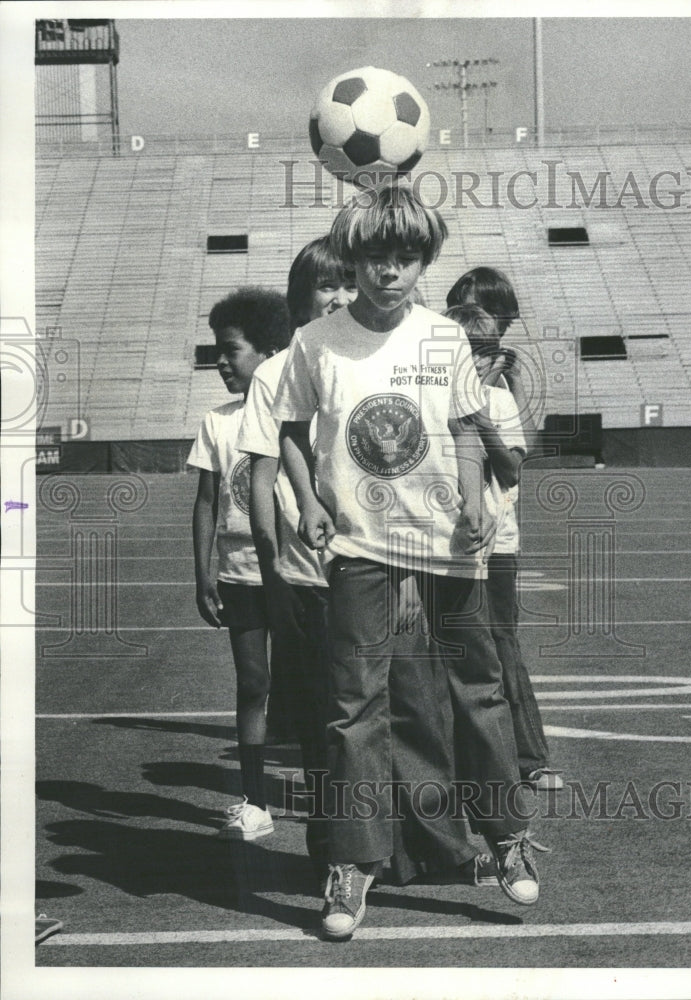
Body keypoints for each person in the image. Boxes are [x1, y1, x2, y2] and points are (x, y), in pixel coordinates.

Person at [274, 182, 548, 941]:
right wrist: (310, 503)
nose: (389, 273)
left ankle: (504, 837)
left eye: (405, 258)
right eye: (375, 260)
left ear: (422, 260)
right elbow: (293, 431)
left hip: (446, 544)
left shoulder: (443, 336)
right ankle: (353, 861)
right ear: (353, 260)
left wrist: (471, 504)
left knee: (479, 689)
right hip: (360, 545)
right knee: (351, 705)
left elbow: (464, 428)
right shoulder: (316, 341)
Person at [238, 237, 357, 879]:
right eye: (325, 287)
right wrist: (272, 572)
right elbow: (261, 477)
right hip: (307, 573)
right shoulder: (273, 372)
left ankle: (381, 840)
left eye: (349, 284)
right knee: (321, 720)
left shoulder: (368, 359)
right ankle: (333, 847)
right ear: (300, 296)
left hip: (373, 562)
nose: (339, 298)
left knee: (375, 708)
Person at [188, 286, 291, 839]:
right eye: (218, 351)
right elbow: (208, 502)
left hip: (296, 573)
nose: (221, 361)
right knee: (253, 682)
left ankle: (338, 793)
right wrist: (204, 573)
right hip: (240, 574)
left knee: (322, 686)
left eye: (232, 349)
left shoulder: (298, 417)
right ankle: (255, 801)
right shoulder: (218, 421)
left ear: (270, 350)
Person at [444, 303, 560, 790]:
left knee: (501, 643)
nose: (483, 358)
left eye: (488, 350)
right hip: (444, 538)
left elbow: (511, 470)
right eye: (473, 349)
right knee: (445, 647)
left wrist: (478, 410)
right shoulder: (430, 393)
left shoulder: (498, 401)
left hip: (497, 540)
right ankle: (458, 758)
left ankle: (530, 757)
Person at [445, 266, 536, 455]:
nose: (482, 317)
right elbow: (472, 406)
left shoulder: (498, 367)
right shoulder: (448, 361)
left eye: (491, 311)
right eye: (473, 308)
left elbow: (529, 450)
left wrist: (515, 380)